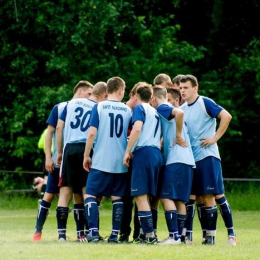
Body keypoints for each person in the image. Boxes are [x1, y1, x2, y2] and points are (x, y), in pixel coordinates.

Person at [179, 74, 237, 245]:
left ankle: (218, 237)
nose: (182, 91)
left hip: (207, 156)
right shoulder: (182, 108)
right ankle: (192, 236)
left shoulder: (205, 102)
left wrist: (214, 138)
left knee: (210, 196)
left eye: (186, 88)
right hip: (191, 159)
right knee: (192, 197)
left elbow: (226, 116)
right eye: (181, 88)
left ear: (195, 88)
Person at [55, 81, 108, 242]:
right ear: (104, 95)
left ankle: (62, 235)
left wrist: (59, 151)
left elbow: (59, 127)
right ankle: (89, 232)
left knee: (66, 192)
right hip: (87, 149)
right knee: (87, 192)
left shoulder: (69, 104)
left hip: (69, 149)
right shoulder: (97, 108)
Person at [83, 76, 132, 243]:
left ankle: (94, 233)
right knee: (117, 197)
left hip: (101, 159)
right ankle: (114, 235)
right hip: (120, 161)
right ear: (120, 91)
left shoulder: (99, 107)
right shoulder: (127, 110)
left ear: (107, 90)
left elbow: (91, 133)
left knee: (90, 194)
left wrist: (86, 155)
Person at [150, 85, 195, 245]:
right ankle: (182, 237)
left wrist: (177, 135)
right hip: (188, 161)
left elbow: (180, 113)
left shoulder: (163, 107)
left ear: (153, 98)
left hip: (175, 159)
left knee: (165, 196)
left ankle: (173, 236)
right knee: (180, 200)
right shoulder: (167, 108)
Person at [123, 82, 164, 245]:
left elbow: (137, 129)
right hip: (156, 153)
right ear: (151, 96)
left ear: (136, 95)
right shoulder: (155, 111)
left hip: (144, 152)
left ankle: (149, 235)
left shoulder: (140, 108)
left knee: (139, 196)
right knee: (148, 197)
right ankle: (146, 234)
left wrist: (127, 150)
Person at [32, 100, 68, 242]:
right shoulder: (59, 108)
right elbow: (46, 138)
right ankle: (37, 231)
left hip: (69, 161)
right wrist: (49, 156)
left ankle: (66, 234)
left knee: (65, 196)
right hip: (55, 160)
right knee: (49, 194)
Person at [118, 83, 140, 242]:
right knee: (125, 199)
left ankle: (139, 233)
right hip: (123, 160)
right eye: (136, 98)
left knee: (140, 197)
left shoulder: (141, 112)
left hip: (137, 159)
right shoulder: (122, 111)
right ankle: (124, 233)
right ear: (131, 95)